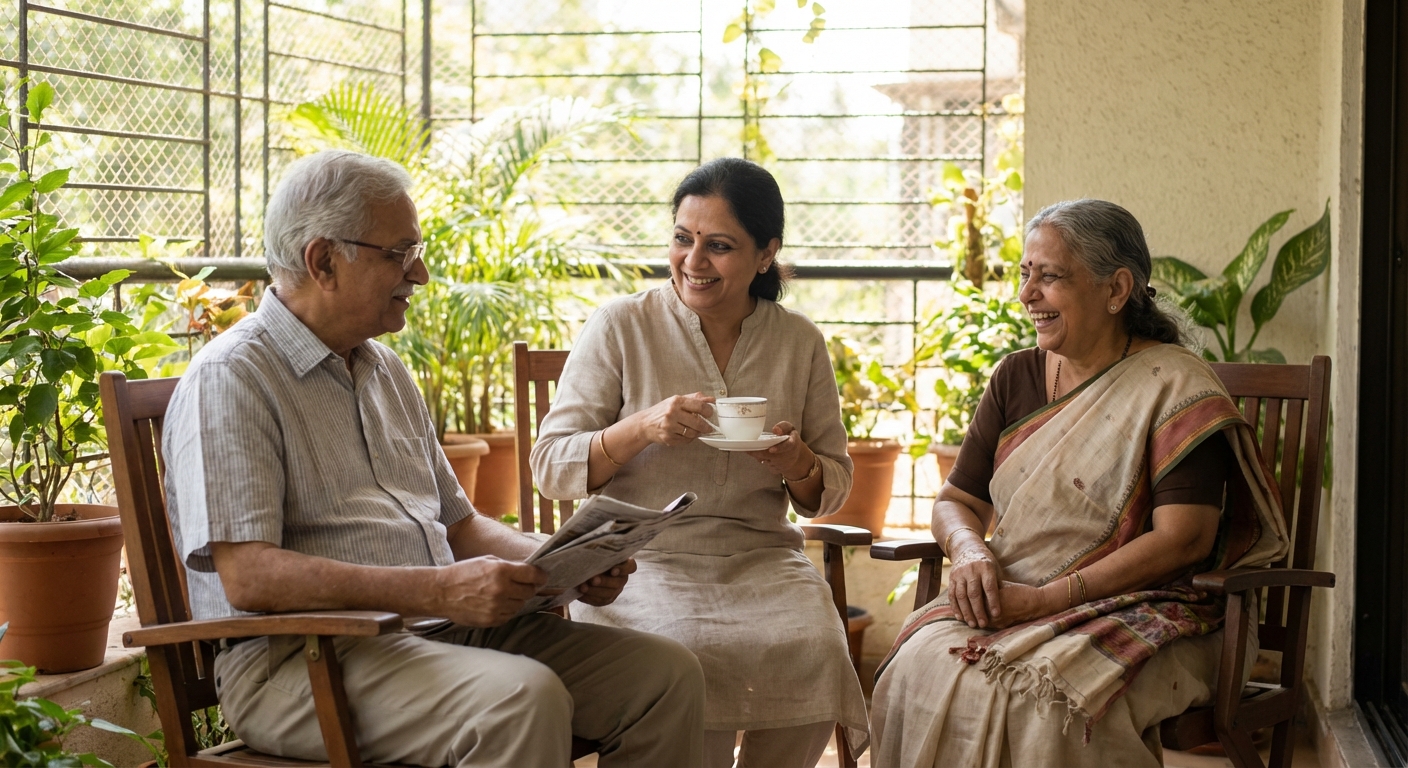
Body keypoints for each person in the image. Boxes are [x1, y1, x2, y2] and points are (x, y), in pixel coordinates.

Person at [161, 149, 706, 768]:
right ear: (323, 261)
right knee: (519, 701)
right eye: (398, 254)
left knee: (665, 678)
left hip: (432, 635)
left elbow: (460, 525)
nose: (418, 275)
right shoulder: (232, 379)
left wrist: (560, 565)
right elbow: (249, 576)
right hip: (299, 663)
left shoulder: (382, 369)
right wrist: (438, 590)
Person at [869, 199, 1290, 767]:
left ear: (1116, 289)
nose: (1026, 295)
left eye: (1050, 277)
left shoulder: (1175, 387)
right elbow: (956, 501)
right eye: (1025, 274)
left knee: (1048, 700)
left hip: (1158, 610)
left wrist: (1046, 600)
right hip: (1015, 593)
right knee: (917, 667)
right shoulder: (1015, 376)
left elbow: (1184, 539)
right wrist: (969, 551)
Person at [531, 157, 869, 767]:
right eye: (683, 239)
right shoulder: (620, 325)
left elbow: (833, 483)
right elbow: (550, 465)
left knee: (818, 645)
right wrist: (639, 429)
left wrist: (797, 462)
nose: (693, 261)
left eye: (719, 246)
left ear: (766, 254)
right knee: (684, 655)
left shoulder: (799, 342)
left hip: (762, 557)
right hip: (638, 562)